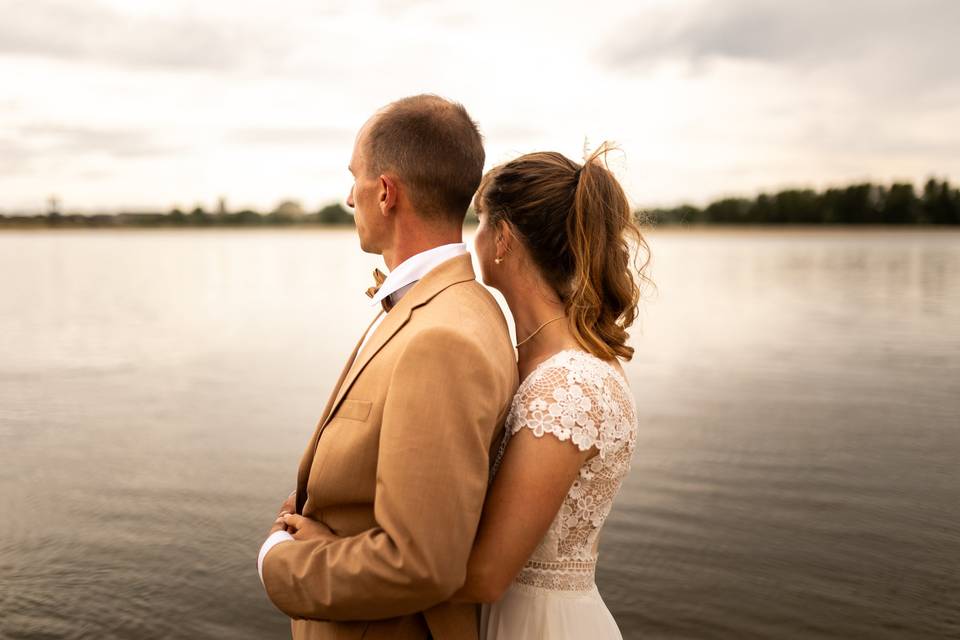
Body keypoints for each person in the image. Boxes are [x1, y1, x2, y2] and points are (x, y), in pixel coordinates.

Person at [257, 94, 518, 640]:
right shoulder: (448, 305)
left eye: (354, 177)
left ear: (385, 192)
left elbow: (420, 562)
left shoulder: (444, 337)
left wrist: (277, 561)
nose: (348, 197)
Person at [452, 145, 650, 638]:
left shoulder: (570, 386)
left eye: (479, 222)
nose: (471, 240)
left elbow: (485, 575)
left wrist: (351, 560)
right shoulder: (527, 360)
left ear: (502, 239)